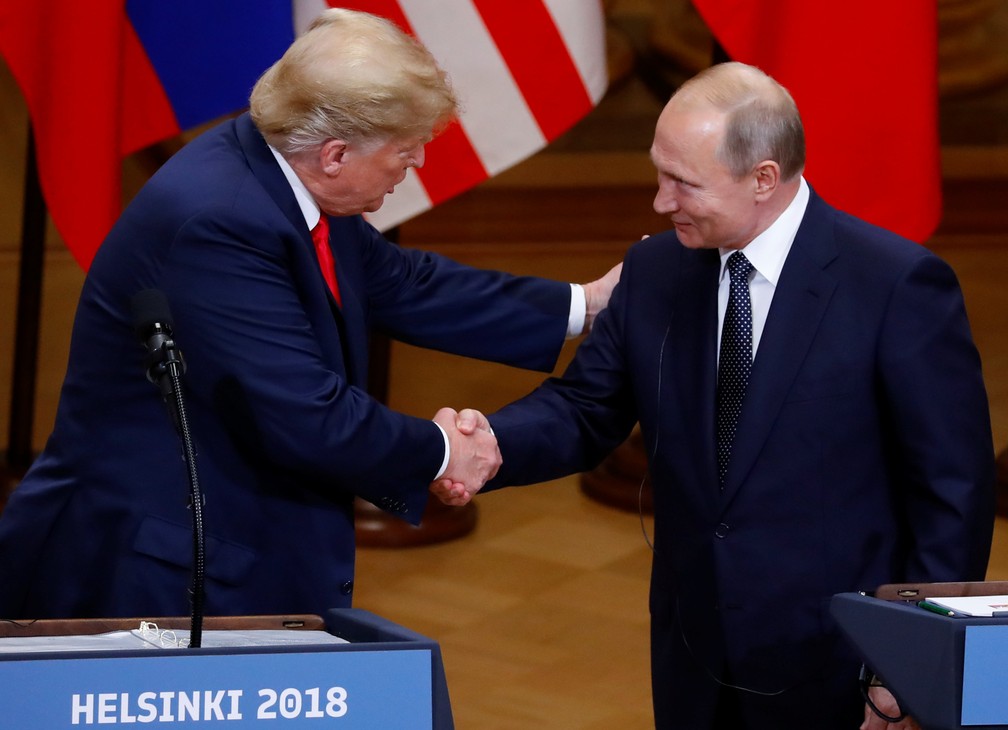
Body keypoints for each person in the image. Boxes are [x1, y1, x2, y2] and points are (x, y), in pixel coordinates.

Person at [0, 8, 619, 621]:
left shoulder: (280, 169)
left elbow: (404, 283)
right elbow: (306, 413)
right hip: (154, 570)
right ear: (335, 153)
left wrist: (584, 304)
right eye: (406, 152)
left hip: (232, 535)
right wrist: (442, 452)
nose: (417, 168)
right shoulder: (217, 224)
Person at [434, 62, 995, 729]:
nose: (661, 202)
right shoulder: (656, 269)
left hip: (839, 665)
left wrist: (908, 670)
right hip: (693, 656)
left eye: (683, 182)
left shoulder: (896, 287)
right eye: (659, 173)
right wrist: (486, 447)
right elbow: (585, 408)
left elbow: (952, 497)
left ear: (763, 178)